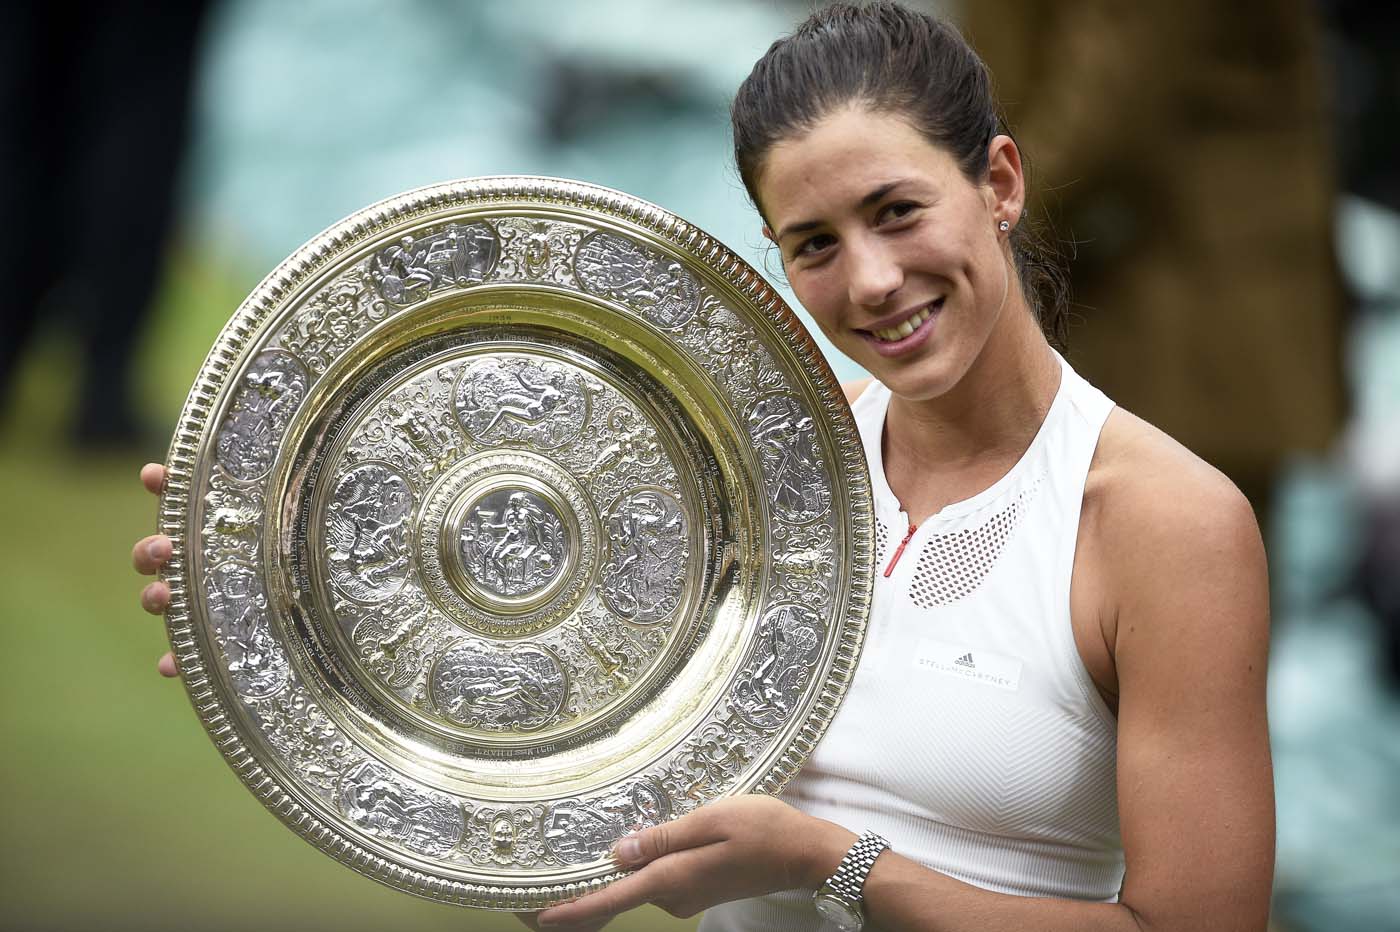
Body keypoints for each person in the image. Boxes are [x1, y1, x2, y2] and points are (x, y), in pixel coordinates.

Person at [131, 4, 1274, 930]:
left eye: (896, 211)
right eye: (814, 244)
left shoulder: (1163, 521)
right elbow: (578, 756)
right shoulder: (754, 472)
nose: (870, 280)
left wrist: (840, 866)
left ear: (1001, 183)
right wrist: (283, 636)